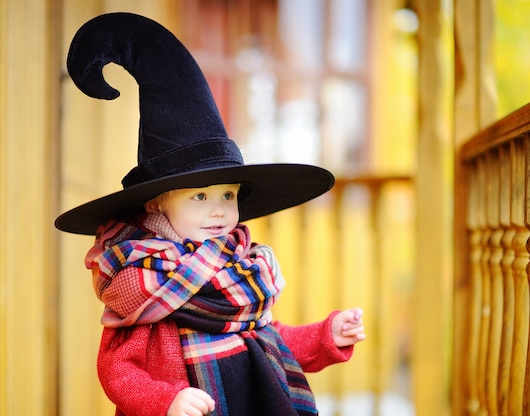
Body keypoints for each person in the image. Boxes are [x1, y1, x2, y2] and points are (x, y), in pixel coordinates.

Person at [56, 12, 365, 416]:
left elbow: (273, 342)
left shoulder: (241, 273)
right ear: (156, 204)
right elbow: (117, 370)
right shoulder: (143, 284)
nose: (219, 209)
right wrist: (166, 399)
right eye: (199, 197)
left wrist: (327, 336)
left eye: (228, 195)